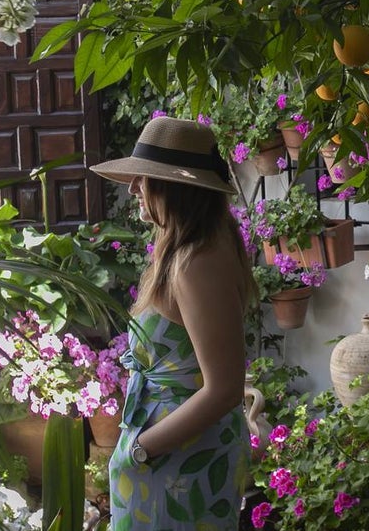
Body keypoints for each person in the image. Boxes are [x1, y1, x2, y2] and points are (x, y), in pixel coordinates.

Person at [90, 116, 254, 531]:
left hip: (181, 458)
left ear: (173, 187)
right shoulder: (187, 249)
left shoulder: (196, 262)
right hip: (175, 453)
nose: (133, 188)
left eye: (143, 178)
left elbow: (224, 389)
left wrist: (142, 449)